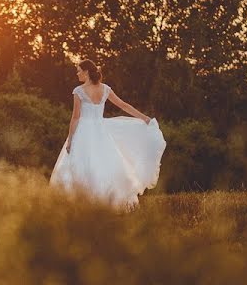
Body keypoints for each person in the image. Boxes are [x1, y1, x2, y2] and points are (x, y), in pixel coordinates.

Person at [49, 59, 166, 211]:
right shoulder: (105, 89)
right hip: (100, 131)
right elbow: (124, 105)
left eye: (79, 70)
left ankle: (82, 205)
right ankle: (101, 203)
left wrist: (71, 139)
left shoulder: (78, 91)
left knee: (82, 166)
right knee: (103, 165)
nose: (77, 74)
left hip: (83, 132)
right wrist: (144, 117)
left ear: (86, 72)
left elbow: (76, 117)